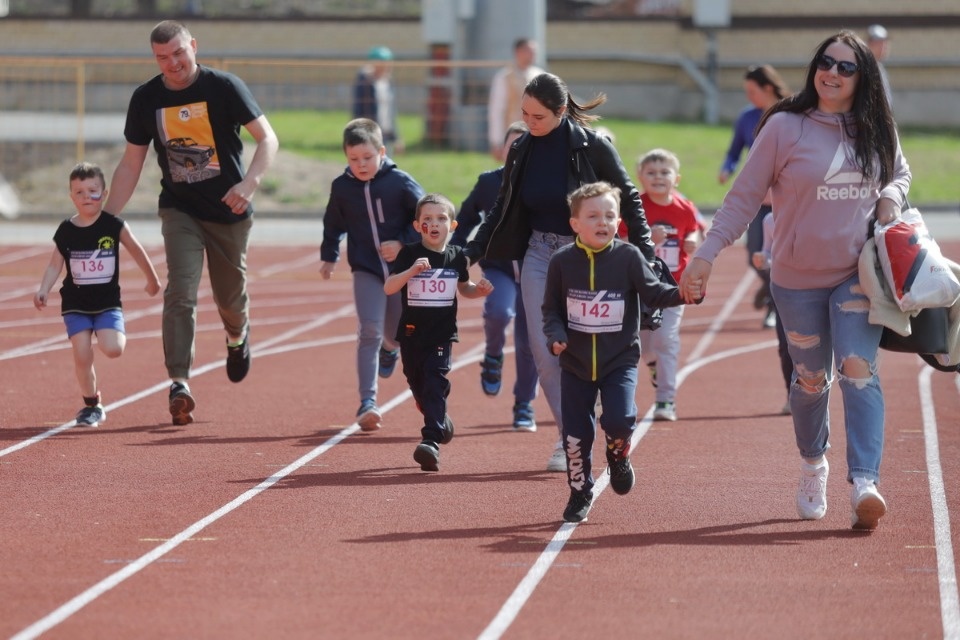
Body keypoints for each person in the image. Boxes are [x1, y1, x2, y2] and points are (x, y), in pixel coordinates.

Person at [680, 30, 911, 531]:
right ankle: (813, 464)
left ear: (863, 77)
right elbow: (743, 197)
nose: (831, 73)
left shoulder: (876, 127)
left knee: (857, 368)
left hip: (856, 276)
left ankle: (865, 482)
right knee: (810, 380)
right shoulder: (785, 126)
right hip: (795, 280)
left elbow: (900, 173)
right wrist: (706, 255)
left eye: (845, 67)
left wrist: (891, 197)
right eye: (825, 62)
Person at [464, 72, 656, 473]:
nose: (529, 123)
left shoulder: (593, 147)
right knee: (545, 348)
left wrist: (647, 252)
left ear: (560, 111)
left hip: (587, 255)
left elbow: (629, 196)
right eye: (524, 114)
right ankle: (569, 436)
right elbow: (501, 206)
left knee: (592, 346)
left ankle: (607, 410)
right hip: (539, 254)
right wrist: (472, 251)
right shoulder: (522, 151)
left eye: (537, 116)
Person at [103, 20, 279, 427]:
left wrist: (249, 182)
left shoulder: (224, 87)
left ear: (193, 47)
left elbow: (267, 138)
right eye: (163, 58)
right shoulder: (146, 98)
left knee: (229, 298)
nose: (173, 63)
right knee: (180, 291)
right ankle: (179, 382)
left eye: (179, 53)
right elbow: (132, 162)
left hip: (228, 211)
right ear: (155, 58)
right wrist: (107, 217)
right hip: (179, 208)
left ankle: (237, 337)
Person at [543, 181, 687, 523]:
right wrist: (556, 334)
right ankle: (580, 492)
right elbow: (550, 309)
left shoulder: (627, 256)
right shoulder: (562, 261)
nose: (602, 222)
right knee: (576, 435)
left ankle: (617, 455)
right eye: (593, 216)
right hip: (575, 363)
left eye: (609, 215)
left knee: (620, 420)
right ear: (575, 223)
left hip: (619, 360)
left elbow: (654, 294)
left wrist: (685, 294)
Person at [34, 162, 162, 427]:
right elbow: (54, 263)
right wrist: (44, 289)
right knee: (81, 353)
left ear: (103, 194)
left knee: (113, 349)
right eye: (78, 192)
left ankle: (104, 344)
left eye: (92, 190)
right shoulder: (66, 230)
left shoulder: (113, 225)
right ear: (71, 197)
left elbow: (137, 250)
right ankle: (92, 404)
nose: (85, 197)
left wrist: (152, 279)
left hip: (107, 304)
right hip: (75, 303)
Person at [321, 118, 424, 432]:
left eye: (367, 158)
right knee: (369, 329)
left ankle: (390, 348)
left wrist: (403, 242)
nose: (361, 165)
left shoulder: (400, 182)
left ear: (381, 151)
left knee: (395, 334)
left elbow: (426, 217)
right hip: (365, 268)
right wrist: (329, 255)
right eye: (354, 159)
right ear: (346, 157)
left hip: (400, 271)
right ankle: (368, 402)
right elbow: (333, 222)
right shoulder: (342, 188)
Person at [384, 193, 494, 471]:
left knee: (434, 379)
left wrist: (477, 291)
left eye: (441, 219)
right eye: (428, 219)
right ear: (417, 225)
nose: (434, 224)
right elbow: (389, 287)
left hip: (442, 335)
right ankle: (437, 412)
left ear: (453, 226)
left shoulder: (457, 257)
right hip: (411, 333)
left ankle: (430, 441)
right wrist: (410, 271)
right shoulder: (409, 253)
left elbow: (464, 288)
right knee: (417, 382)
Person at [450, 121, 539, 432]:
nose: (517, 153)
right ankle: (492, 356)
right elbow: (465, 218)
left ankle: (524, 404)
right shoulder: (489, 183)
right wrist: (454, 251)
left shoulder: (544, 185)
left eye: (524, 147)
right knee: (499, 313)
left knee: (531, 342)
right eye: (511, 147)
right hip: (498, 268)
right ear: (502, 150)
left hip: (535, 272)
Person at [630, 148, 705, 422]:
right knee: (644, 346)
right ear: (640, 177)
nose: (658, 177)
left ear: (677, 178)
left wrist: (693, 240)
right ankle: (653, 365)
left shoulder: (684, 208)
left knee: (666, 340)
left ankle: (665, 399)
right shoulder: (635, 205)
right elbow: (620, 242)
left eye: (664, 172)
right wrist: (647, 238)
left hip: (673, 287)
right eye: (651, 172)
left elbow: (696, 227)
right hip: (639, 288)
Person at [717, 64, 791, 329]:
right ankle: (770, 288)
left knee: (781, 256)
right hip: (760, 200)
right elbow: (734, 151)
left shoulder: (791, 113)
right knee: (755, 256)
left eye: (752, 91)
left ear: (768, 88)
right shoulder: (747, 117)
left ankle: (773, 306)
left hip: (789, 202)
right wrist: (726, 169)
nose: (749, 96)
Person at [751, 210, 793, 415]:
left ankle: (815, 395)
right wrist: (763, 259)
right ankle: (792, 395)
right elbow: (768, 251)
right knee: (785, 347)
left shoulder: (813, 210)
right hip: (782, 290)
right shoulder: (769, 220)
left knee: (815, 347)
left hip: (814, 288)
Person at [487, 38, 544, 162]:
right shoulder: (503, 77)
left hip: (536, 134)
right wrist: (496, 141)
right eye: (529, 51)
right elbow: (497, 110)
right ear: (518, 51)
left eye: (534, 52)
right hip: (513, 135)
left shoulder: (540, 76)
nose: (533, 55)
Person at [353, 45, 404, 156]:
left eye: (387, 63)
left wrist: (396, 137)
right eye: (380, 63)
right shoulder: (365, 82)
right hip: (369, 133)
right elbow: (358, 109)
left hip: (385, 133)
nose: (385, 67)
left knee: (385, 167)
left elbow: (391, 111)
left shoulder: (388, 82)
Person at [867, 24, 892, 106]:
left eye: (885, 44)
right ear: (870, 44)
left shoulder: (879, 66)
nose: (884, 47)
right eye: (880, 44)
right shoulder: (867, 68)